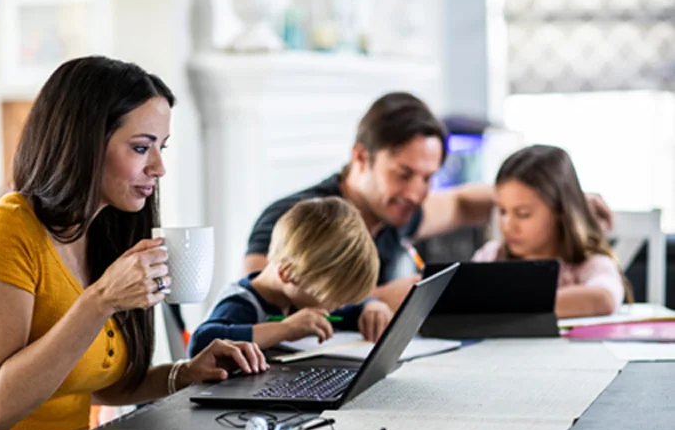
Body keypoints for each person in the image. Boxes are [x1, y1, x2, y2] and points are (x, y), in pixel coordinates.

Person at [0, 56, 267, 430]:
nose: (159, 167)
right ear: (83, 143)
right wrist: (102, 300)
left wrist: (185, 372)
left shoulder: (102, 234)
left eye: (161, 147)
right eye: (141, 148)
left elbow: (84, 380)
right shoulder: (3, 231)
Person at [243, 92, 614, 326]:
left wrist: (563, 200)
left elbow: (464, 201)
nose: (417, 192)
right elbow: (270, 307)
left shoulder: (396, 212)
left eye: (427, 177)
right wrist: (380, 296)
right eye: (404, 173)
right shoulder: (294, 221)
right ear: (360, 157)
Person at [188, 197, 387, 356]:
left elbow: (346, 314)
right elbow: (202, 341)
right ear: (287, 273)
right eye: (334, 300)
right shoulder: (241, 303)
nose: (340, 308)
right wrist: (286, 329)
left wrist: (370, 306)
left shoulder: (298, 297)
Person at [472, 145, 631, 318]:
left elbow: (604, 299)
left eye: (523, 214)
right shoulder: (491, 256)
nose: (507, 226)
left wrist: (506, 302)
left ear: (560, 212)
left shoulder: (589, 265)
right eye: (502, 211)